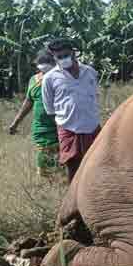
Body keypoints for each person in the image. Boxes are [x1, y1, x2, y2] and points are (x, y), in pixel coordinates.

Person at [42, 38, 101, 182]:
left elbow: (95, 97)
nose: (63, 59)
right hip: (68, 127)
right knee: (72, 165)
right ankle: (73, 200)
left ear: (73, 53)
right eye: (59, 57)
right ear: (54, 58)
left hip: (91, 126)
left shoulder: (90, 72)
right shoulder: (49, 78)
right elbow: (49, 108)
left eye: (66, 55)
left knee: (96, 164)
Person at [8, 50, 60, 177]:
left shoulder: (60, 78)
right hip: (40, 126)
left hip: (58, 124)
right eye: (41, 63)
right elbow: (28, 101)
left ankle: (60, 177)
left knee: (59, 152)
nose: (44, 66)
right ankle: (45, 178)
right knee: (43, 151)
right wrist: (15, 123)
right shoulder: (33, 80)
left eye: (47, 62)